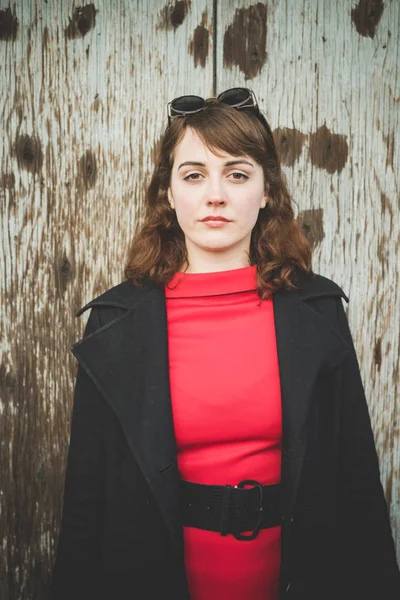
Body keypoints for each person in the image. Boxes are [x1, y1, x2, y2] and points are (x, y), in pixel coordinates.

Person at [50, 88, 400, 600]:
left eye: (237, 174)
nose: (215, 194)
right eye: (194, 175)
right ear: (169, 193)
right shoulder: (114, 323)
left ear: (265, 193)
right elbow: (85, 506)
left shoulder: (317, 311)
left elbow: (358, 486)